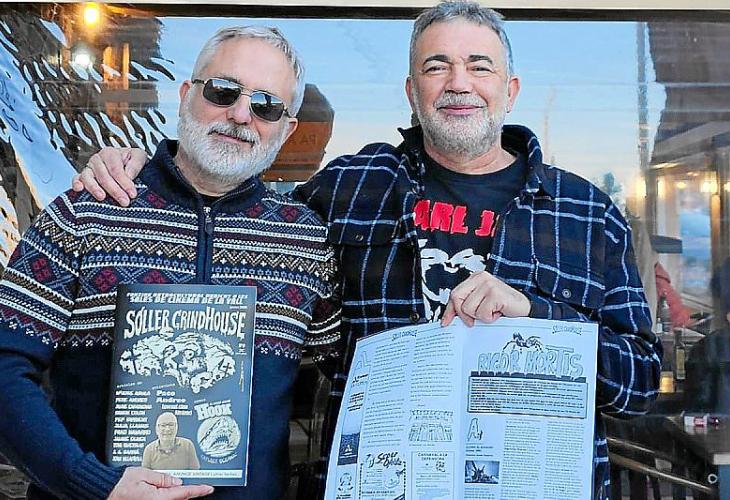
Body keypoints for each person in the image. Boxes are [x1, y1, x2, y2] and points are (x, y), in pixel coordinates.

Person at [74, 2, 663, 498]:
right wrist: (148, 171)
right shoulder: (349, 188)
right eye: (436, 66)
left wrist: (536, 316)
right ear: (412, 91)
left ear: (509, 91)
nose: (458, 82)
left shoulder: (587, 214)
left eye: (479, 66)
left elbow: (639, 384)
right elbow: (233, 210)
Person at [0, 25, 341, 500]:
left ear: (286, 130)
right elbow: (6, 364)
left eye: (267, 105)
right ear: (185, 96)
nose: (241, 114)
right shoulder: (87, 212)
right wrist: (90, 483)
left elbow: (345, 371)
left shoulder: (305, 240)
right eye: (223, 91)